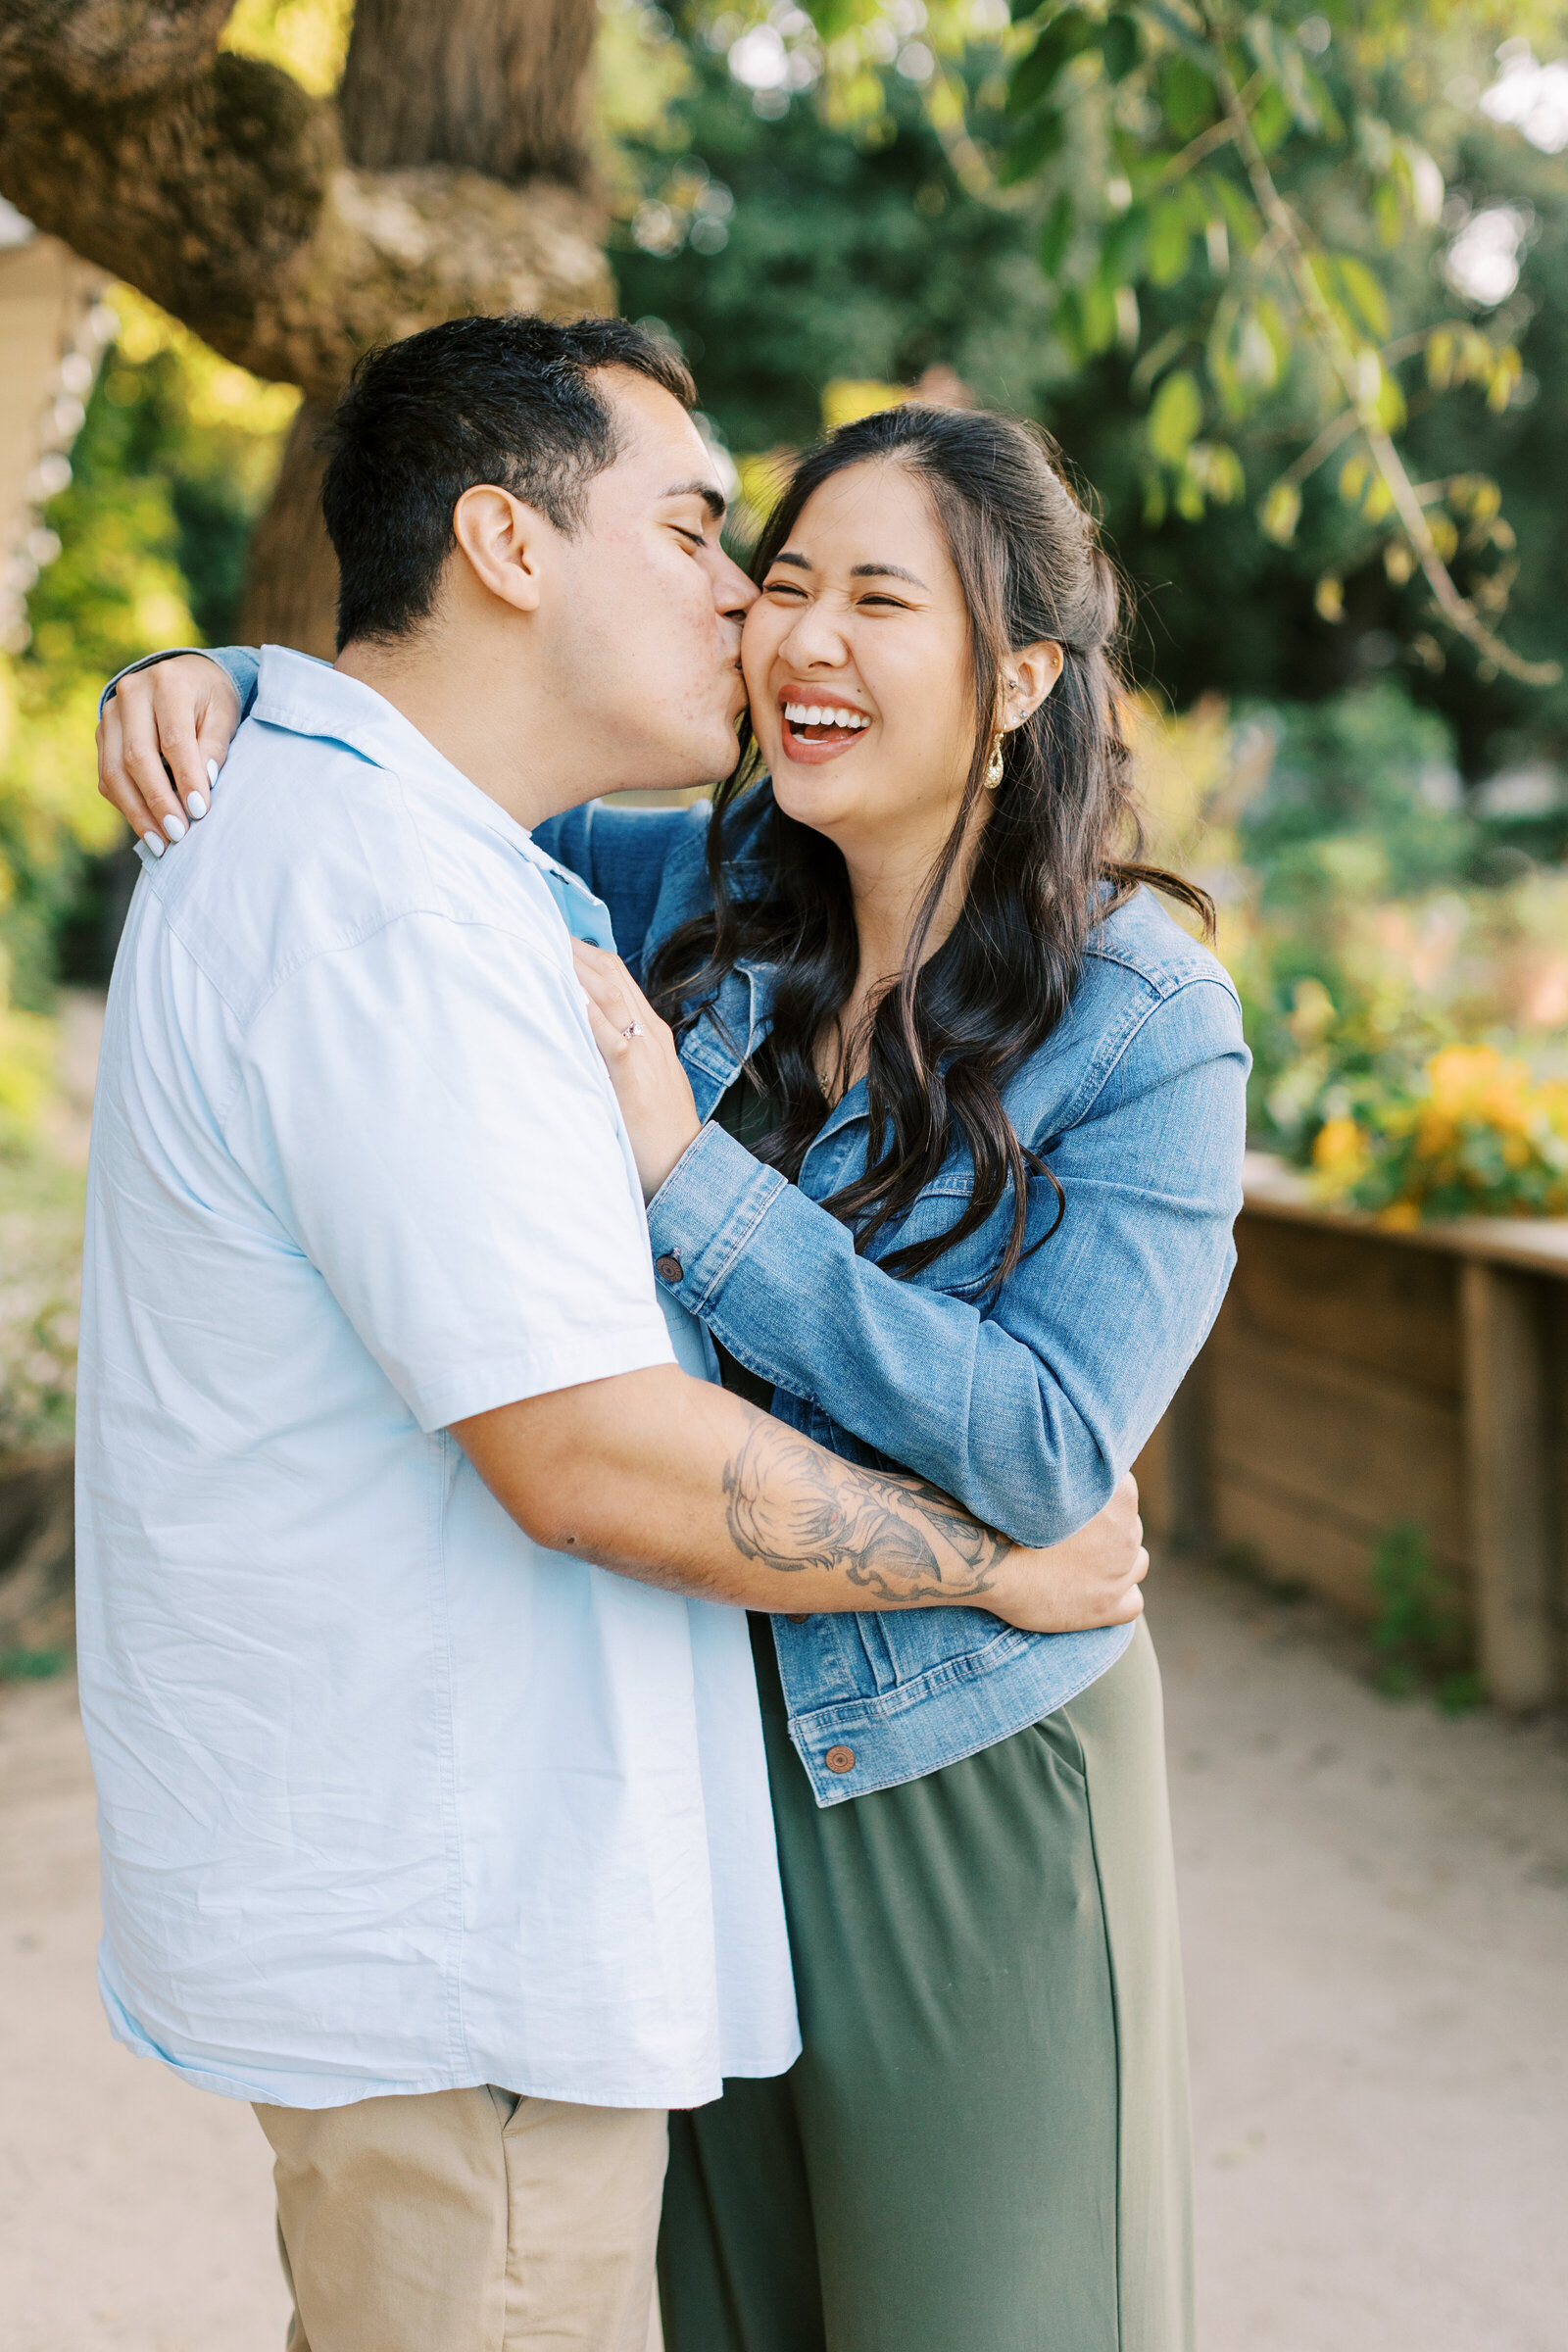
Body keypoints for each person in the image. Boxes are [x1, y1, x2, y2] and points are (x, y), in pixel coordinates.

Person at [81, 319, 1149, 2352]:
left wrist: (244, 678)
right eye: (693, 528)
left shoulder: (423, 854)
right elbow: (581, 1450)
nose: (746, 601)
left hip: (444, 1927)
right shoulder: (390, 908)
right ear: (500, 540)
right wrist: (991, 1563)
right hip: (456, 1940)